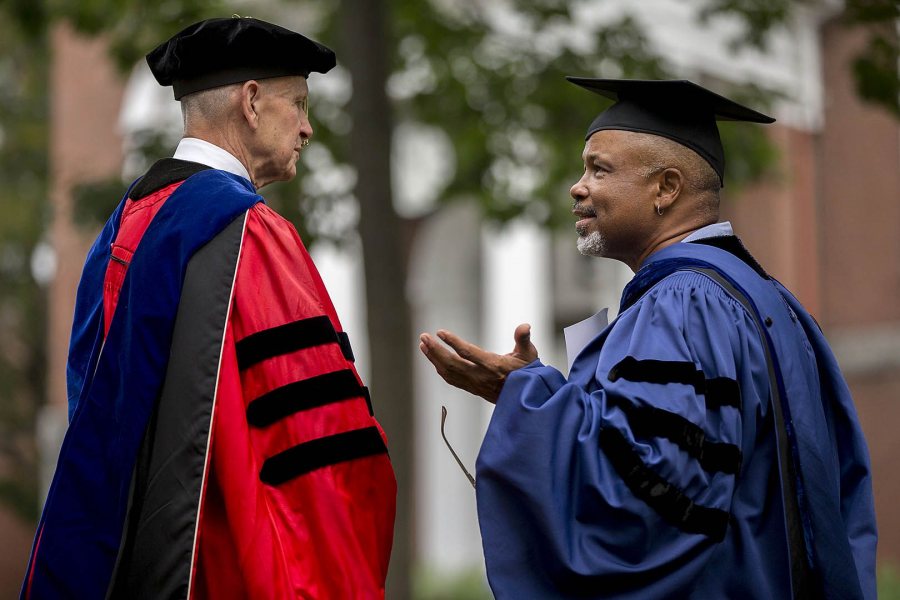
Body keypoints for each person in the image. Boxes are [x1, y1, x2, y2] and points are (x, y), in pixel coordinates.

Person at [419, 78, 877, 599]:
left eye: (599, 169)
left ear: (666, 188)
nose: (577, 185)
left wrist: (531, 399)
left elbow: (648, 501)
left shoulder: (682, 305)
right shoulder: (772, 303)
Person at [23, 17, 396, 599]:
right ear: (251, 102)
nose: (307, 127)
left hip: (123, 560)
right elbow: (317, 438)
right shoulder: (249, 231)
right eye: (296, 104)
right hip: (225, 561)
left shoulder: (124, 225)